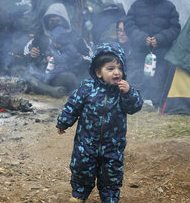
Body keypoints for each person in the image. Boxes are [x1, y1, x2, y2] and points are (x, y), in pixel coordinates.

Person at [56, 42, 143, 203]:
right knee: (82, 170)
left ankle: (110, 198)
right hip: (86, 143)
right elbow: (73, 105)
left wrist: (129, 93)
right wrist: (63, 122)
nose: (116, 72)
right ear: (98, 72)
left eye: (120, 68)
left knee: (111, 175)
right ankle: (79, 195)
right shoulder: (87, 88)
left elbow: (135, 107)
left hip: (113, 146)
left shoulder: (123, 91)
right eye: (110, 69)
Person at [125, 0, 181, 108]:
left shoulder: (169, 7)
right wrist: (142, 38)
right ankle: (134, 104)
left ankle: (157, 104)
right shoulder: (136, 6)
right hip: (139, 51)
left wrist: (160, 39)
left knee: (159, 79)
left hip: (161, 52)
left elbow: (175, 28)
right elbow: (129, 26)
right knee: (137, 77)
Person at [44, 26, 85, 93]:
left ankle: (47, 78)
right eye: (54, 42)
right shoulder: (53, 45)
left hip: (69, 67)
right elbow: (48, 50)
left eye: (58, 43)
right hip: (55, 65)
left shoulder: (70, 48)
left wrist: (54, 58)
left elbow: (65, 58)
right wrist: (47, 55)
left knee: (60, 68)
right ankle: (44, 77)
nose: (56, 44)